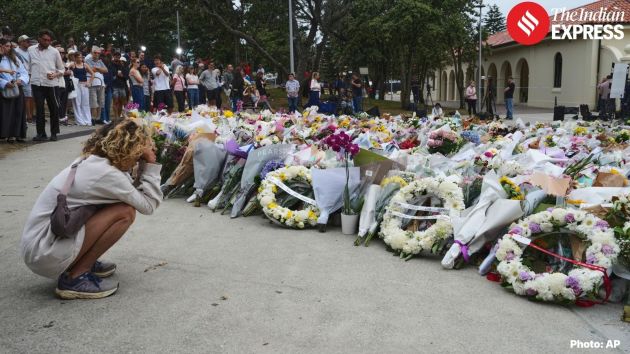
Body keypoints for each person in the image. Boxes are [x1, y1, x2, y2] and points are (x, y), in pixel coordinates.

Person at [21, 120, 163, 299]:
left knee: (117, 205)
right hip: (44, 253)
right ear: (128, 148)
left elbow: (128, 191)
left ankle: (77, 261)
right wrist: (149, 164)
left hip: (38, 245)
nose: (139, 157)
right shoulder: (107, 174)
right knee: (124, 212)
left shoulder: (91, 160)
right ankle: (76, 276)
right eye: (139, 151)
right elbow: (149, 205)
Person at [28, 29, 65, 141]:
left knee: (54, 108)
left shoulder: (54, 51)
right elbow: (29, 66)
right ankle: (41, 133)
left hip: (51, 84)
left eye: (49, 40)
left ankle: (54, 133)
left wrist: (55, 75)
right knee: (39, 109)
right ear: (39, 39)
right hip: (36, 83)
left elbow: (62, 69)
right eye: (45, 40)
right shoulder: (31, 49)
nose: (47, 42)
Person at [0, 38, 29, 143]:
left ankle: (16, 134)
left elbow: (24, 72)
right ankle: (4, 134)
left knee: (18, 112)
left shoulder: (15, 58)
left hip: (16, 88)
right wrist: (4, 83)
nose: (8, 48)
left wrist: (20, 80)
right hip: (4, 89)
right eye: (6, 46)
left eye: (9, 46)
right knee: (6, 112)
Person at [67, 51, 94, 126]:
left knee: (85, 103)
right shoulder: (73, 64)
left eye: (81, 57)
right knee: (77, 103)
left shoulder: (85, 65)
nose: (80, 59)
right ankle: (79, 120)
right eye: (78, 57)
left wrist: (89, 82)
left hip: (84, 85)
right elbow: (66, 71)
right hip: (76, 85)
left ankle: (87, 120)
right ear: (75, 58)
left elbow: (92, 74)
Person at [85, 46, 108, 124]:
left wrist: (97, 69)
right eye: (95, 53)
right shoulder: (87, 60)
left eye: (98, 53)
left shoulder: (100, 61)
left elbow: (106, 70)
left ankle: (98, 118)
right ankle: (92, 118)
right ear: (92, 53)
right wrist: (99, 69)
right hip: (92, 83)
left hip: (101, 83)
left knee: (101, 102)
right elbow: (91, 70)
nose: (97, 54)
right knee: (93, 102)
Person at [15, 35, 34, 124]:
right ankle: (28, 117)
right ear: (21, 42)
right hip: (22, 76)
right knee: (26, 97)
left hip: (31, 75)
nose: (28, 43)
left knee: (31, 96)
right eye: (26, 41)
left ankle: (31, 116)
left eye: (28, 41)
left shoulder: (30, 51)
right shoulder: (15, 51)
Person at [110, 52, 128, 120]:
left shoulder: (122, 65)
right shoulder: (111, 65)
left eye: (118, 56)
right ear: (113, 56)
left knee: (123, 102)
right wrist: (116, 75)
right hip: (114, 85)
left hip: (122, 85)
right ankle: (116, 117)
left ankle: (122, 115)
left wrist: (122, 75)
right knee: (115, 102)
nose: (117, 57)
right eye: (115, 56)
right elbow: (110, 74)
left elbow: (126, 76)